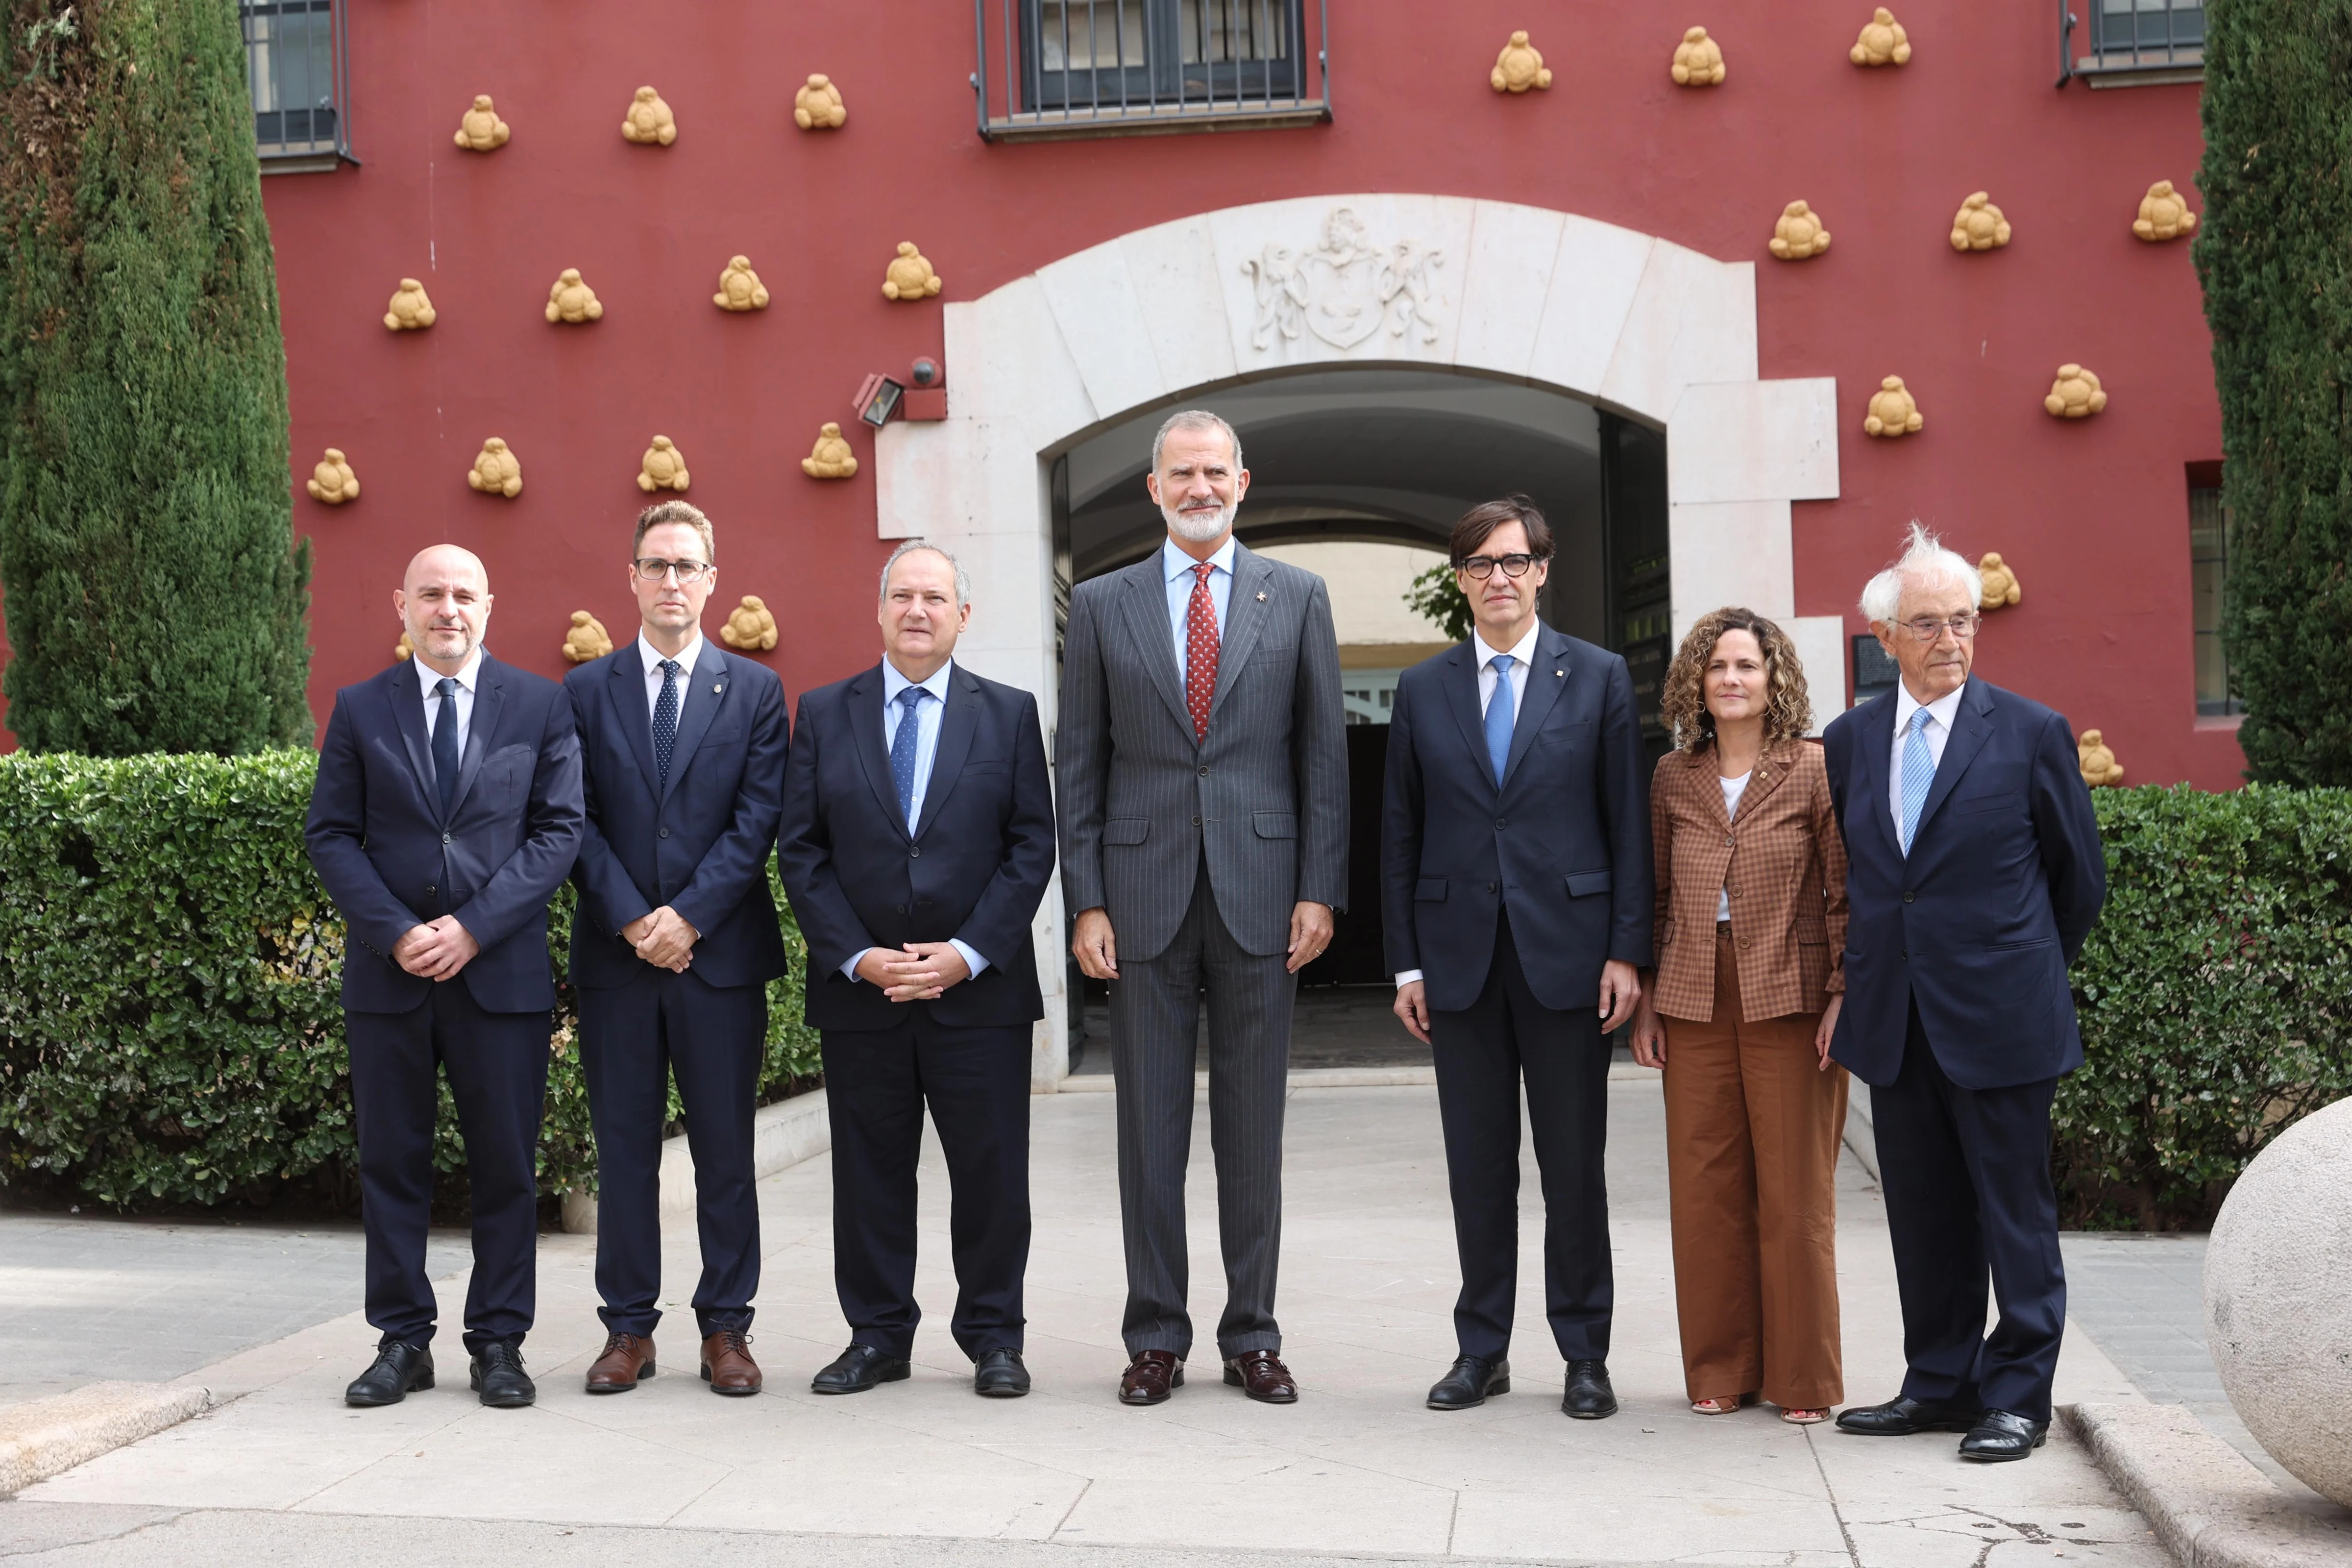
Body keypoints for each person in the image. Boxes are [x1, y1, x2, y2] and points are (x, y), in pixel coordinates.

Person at [1058, 409, 1348, 1407]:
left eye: (1214, 472)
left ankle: (1253, 1333)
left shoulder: (1299, 596)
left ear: (1243, 480)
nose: (1199, 487)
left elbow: (1322, 757)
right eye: (1181, 473)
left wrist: (1320, 885)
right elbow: (1080, 765)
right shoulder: (1101, 605)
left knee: (1251, 1127)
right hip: (1139, 897)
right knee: (1149, 1128)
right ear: (1154, 487)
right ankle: (1155, 1336)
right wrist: (1087, 897)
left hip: (1264, 897)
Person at [1825, 524, 2106, 1462]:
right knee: (1925, 1214)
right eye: (1929, 624)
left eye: (1965, 621)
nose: (1951, 640)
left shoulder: (2030, 733)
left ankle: (2018, 1396)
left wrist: (2012, 967)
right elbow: (1877, 877)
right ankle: (1939, 1384)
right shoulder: (1854, 739)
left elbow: (2079, 882)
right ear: (1887, 637)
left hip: (2003, 1020)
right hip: (1897, 1022)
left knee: (2012, 1215)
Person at [1383, 496, 1651, 1419]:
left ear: (1543, 570)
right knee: (1479, 1167)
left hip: (1570, 960)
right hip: (1459, 963)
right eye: (1480, 563)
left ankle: (1585, 1355)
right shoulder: (1423, 689)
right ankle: (1481, 1350)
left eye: (1515, 561)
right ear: (1461, 580)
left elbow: (1627, 824)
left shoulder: (1602, 677)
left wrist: (1626, 951)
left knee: (1575, 1167)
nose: (1499, 577)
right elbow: (1401, 835)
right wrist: (1407, 965)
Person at [306, 544, 583, 1410]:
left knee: (505, 1166)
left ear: (490, 606)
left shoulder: (540, 705)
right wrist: (396, 934)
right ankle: (401, 1341)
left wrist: (471, 927)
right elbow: (331, 835)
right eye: (431, 594)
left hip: (499, 978)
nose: (448, 609)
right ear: (403, 605)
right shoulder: (360, 709)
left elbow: (558, 832)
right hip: (391, 982)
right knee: (393, 1163)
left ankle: (499, 1341)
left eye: (464, 594)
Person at [779, 540, 1056, 1398]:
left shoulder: (1007, 714)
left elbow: (1029, 845)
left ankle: (994, 1337)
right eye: (902, 595)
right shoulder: (824, 713)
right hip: (864, 995)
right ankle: (876, 1334)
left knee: (991, 1177)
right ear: (879, 610)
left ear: (962, 616)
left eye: (935, 597)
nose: (917, 611)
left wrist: (965, 955)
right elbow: (803, 850)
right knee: (868, 1177)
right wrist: (857, 956)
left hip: (980, 997)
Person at [564, 500, 789, 1397]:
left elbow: (758, 819)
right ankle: (628, 1330)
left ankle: (727, 1330)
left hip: (719, 959)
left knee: (725, 1154)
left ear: (711, 581)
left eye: (685, 566)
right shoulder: (584, 692)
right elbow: (571, 819)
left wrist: (687, 919)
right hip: (618, 962)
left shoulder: (757, 692)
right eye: (655, 565)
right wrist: (633, 920)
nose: (670, 581)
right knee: (623, 1151)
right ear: (631, 579)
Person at [1628, 608, 1850, 1425]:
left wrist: (1842, 998)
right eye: (1717, 666)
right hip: (1691, 997)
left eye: (1747, 666)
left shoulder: (1814, 770)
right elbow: (1652, 898)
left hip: (1791, 997)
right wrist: (1648, 1000)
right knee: (1706, 1193)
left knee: (1796, 1198)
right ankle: (1720, 1367)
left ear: (1774, 678)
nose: (1731, 679)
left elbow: (1844, 894)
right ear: (1696, 682)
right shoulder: (1671, 778)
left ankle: (1804, 1379)